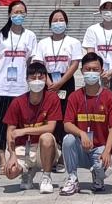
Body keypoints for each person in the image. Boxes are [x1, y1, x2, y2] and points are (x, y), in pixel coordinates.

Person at [59, 53, 112, 195]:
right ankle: (72, 178)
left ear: (101, 71)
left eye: (95, 69)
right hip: (81, 147)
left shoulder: (109, 97)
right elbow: (67, 124)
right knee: (68, 139)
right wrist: (81, 133)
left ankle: (98, 177)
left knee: (105, 166)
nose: (91, 73)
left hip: (99, 148)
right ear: (82, 71)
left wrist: (107, 151)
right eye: (88, 69)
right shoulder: (75, 96)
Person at [0, 0, 38, 172]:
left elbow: (31, 61)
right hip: (1, 87)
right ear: (9, 14)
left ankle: (15, 156)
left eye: (22, 12)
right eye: (15, 12)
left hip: (20, 87)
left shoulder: (30, 35)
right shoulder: (0, 35)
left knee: (18, 125)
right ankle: (2, 159)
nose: (18, 15)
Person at [1, 61, 62, 193]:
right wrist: (12, 155)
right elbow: (10, 131)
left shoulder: (52, 98)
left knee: (47, 137)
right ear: (27, 79)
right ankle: (27, 172)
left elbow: (50, 127)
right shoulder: (17, 102)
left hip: (42, 148)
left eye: (41, 77)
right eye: (33, 78)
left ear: (46, 79)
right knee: (10, 172)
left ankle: (46, 177)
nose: (37, 81)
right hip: (23, 148)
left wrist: (24, 131)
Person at [33, 9, 83, 167]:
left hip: (65, 81)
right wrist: (48, 83)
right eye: (55, 20)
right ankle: (49, 154)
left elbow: (74, 64)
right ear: (50, 24)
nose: (58, 23)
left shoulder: (73, 42)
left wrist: (61, 82)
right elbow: (39, 64)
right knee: (49, 116)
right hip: (47, 81)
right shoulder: (43, 43)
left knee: (65, 116)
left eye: (61, 20)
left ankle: (63, 156)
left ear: (66, 23)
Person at [82, 0, 112, 93]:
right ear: (100, 10)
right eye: (105, 8)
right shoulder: (92, 30)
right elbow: (90, 53)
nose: (108, 11)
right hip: (96, 74)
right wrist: (100, 71)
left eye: (111, 8)